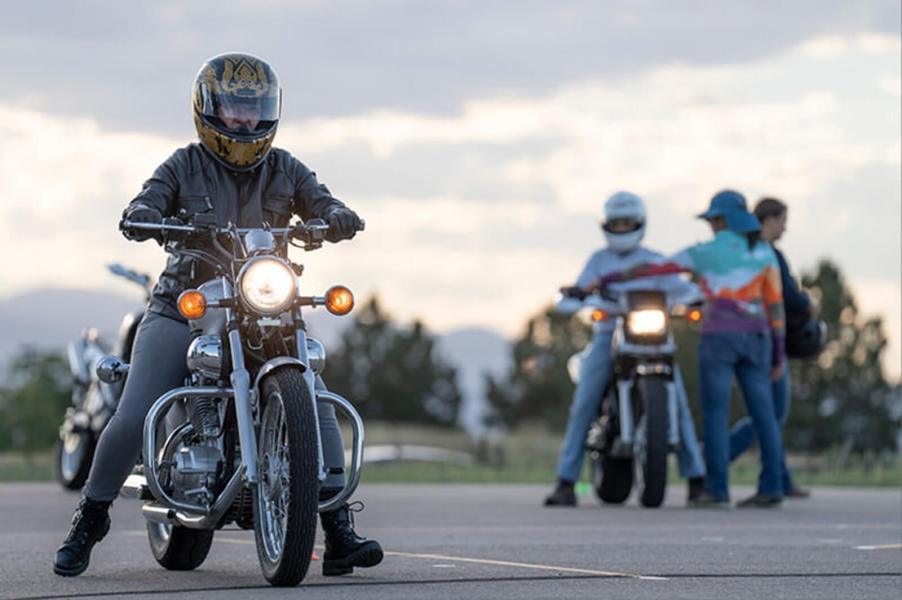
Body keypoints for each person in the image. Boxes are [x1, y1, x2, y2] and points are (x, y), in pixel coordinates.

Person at [54, 52, 383, 577]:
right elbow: (149, 199)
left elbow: (321, 200)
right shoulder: (182, 165)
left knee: (313, 391)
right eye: (235, 110)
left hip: (262, 305)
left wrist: (336, 216)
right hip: (184, 305)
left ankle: (338, 528)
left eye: (255, 110)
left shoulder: (286, 168)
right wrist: (143, 215)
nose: (246, 122)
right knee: (134, 413)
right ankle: (90, 518)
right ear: (208, 111)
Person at [587, 190, 786, 508]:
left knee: (716, 414)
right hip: (758, 337)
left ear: (720, 221)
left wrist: (604, 279)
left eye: (713, 221)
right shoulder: (763, 252)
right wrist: (778, 352)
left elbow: (654, 268)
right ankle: (772, 487)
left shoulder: (704, 252)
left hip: (719, 338)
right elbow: (775, 308)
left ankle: (717, 490)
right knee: (764, 415)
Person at [543, 191, 707, 507]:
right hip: (610, 334)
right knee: (584, 402)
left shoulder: (655, 261)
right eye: (616, 223)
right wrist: (576, 296)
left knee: (679, 402)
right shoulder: (598, 261)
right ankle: (566, 481)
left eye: (627, 223)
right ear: (606, 225)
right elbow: (578, 291)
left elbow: (683, 289)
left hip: (656, 337)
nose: (621, 229)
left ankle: (696, 480)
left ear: (640, 223)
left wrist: (695, 299)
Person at [729, 197, 810, 498]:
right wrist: (807, 303)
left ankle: (780, 478)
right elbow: (787, 297)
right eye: (783, 221)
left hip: (750, 339)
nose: (785, 228)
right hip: (767, 340)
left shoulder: (747, 253)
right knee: (770, 415)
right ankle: (716, 456)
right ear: (769, 219)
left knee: (770, 415)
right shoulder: (769, 255)